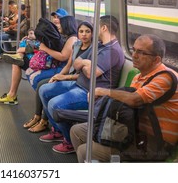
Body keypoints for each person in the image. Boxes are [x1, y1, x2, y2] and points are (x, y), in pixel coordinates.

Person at [70, 34, 178, 162]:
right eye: (134, 50)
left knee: (85, 150)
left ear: (156, 60)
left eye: (141, 52)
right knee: (77, 131)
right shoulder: (138, 77)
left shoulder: (166, 77)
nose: (134, 55)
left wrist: (103, 91)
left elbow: (134, 99)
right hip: (133, 131)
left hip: (154, 141)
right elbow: (128, 105)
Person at [39, 15, 125, 154]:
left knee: (54, 105)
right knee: (44, 90)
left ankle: (69, 141)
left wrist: (86, 64)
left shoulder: (112, 51)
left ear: (103, 28)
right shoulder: (99, 45)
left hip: (89, 92)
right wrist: (87, 63)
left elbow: (91, 73)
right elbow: (77, 62)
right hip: (79, 83)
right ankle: (60, 131)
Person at [0, 10, 75, 106]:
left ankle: (18, 58)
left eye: (58, 18)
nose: (55, 20)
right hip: (44, 55)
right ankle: (12, 93)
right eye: (54, 17)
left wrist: (42, 47)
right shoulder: (56, 32)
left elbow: (62, 56)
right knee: (19, 56)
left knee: (21, 52)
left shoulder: (69, 37)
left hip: (48, 60)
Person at [28, 22, 93, 136]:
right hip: (70, 75)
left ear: (92, 34)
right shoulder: (76, 45)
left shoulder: (93, 49)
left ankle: (46, 122)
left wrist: (64, 77)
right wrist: (57, 76)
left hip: (77, 80)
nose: (84, 35)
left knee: (44, 88)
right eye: (81, 31)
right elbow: (68, 65)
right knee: (44, 87)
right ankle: (52, 125)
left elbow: (86, 75)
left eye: (87, 32)